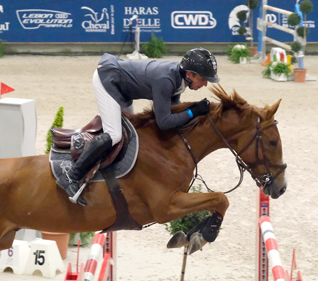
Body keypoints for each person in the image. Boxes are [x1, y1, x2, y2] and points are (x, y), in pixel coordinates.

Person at [57, 48, 220, 206]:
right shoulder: (166, 80)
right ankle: (71, 175)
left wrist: (194, 113)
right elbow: (163, 122)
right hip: (108, 80)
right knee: (114, 135)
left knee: (132, 133)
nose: (205, 84)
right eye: (203, 78)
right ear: (190, 74)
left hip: (122, 90)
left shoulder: (179, 80)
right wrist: (193, 112)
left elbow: (173, 111)